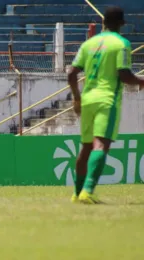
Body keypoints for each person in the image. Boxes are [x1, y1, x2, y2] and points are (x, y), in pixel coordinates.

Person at [68, 6, 144, 204]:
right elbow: (124, 75)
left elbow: (71, 73)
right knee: (100, 144)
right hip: (106, 99)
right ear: (122, 24)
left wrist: (77, 98)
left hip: (87, 99)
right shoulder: (121, 44)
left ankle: (77, 194)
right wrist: (142, 81)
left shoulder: (89, 44)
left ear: (103, 22)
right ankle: (88, 191)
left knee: (85, 147)